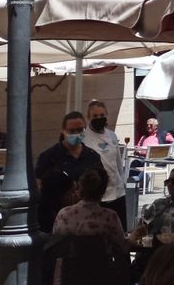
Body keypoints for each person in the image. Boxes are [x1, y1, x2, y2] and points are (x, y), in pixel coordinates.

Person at [34, 111, 102, 232]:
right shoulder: (49, 156)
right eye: (71, 131)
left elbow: (100, 184)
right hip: (54, 220)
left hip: (86, 220)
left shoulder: (93, 157)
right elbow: (38, 185)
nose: (76, 134)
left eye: (80, 130)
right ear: (63, 131)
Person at [53, 167, 127, 251]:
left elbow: (56, 244)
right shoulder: (110, 217)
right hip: (100, 263)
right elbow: (123, 247)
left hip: (70, 263)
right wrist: (135, 235)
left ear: (81, 187)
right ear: (103, 191)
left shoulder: (63, 214)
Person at [82, 100, 128, 228]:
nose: (99, 118)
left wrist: (122, 182)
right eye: (95, 116)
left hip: (118, 192)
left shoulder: (112, 135)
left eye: (102, 115)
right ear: (89, 118)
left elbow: (118, 163)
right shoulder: (85, 139)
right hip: (99, 196)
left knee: (120, 229)